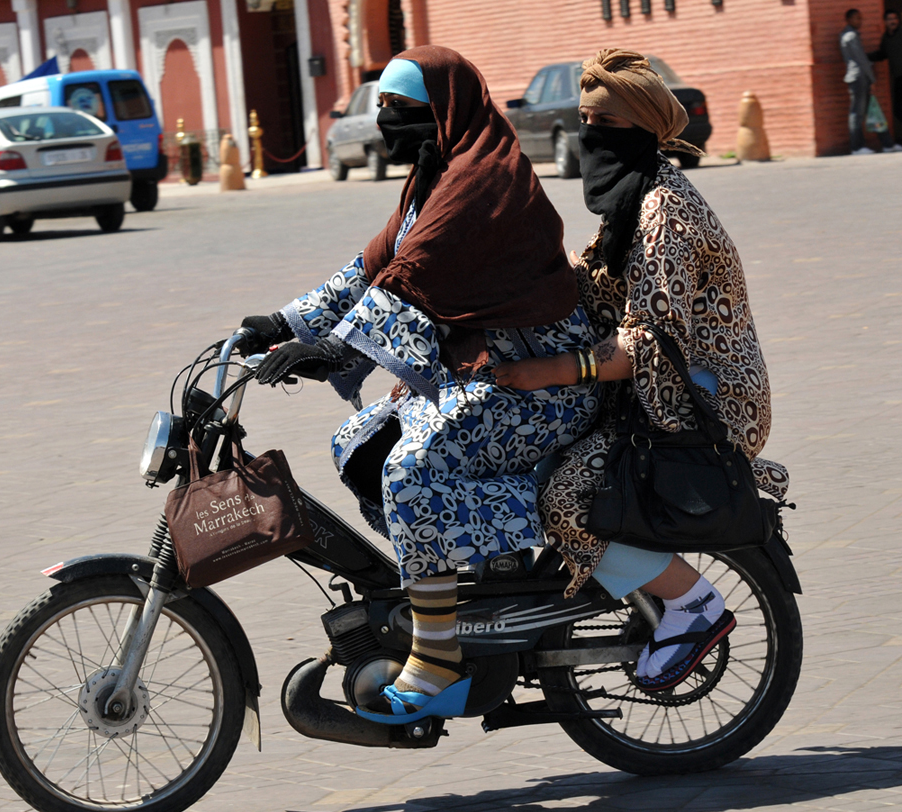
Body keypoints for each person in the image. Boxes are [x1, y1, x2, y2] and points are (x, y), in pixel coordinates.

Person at [239, 46, 602, 721]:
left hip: (541, 385)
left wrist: (326, 350)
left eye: (402, 112)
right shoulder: (432, 177)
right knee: (362, 439)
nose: (387, 126)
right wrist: (282, 321)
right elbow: (372, 267)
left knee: (411, 471)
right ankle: (462, 578)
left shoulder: (481, 178)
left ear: (444, 111)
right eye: (381, 111)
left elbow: (412, 281)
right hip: (490, 373)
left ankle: (436, 657)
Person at [493, 48, 791, 692]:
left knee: (566, 501)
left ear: (635, 130)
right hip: (651, 398)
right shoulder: (631, 205)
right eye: (582, 119)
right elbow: (584, 284)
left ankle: (692, 606)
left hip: (705, 407)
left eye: (602, 122)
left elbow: (643, 346)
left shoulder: (665, 216)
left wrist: (544, 371)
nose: (588, 135)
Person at [842, 8, 901, 154]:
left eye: (894, 19)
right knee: (859, 113)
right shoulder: (852, 36)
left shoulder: (849, 35)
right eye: (857, 18)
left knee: (872, 112)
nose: (860, 21)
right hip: (864, 77)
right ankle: (861, 146)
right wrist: (870, 73)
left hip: (861, 77)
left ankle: (887, 144)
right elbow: (870, 57)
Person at [868, 10, 902, 135]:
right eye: (889, 19)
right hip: (898, 77)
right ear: (885, 22)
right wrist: (864, 57)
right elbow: (882, 54)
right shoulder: (886, 38)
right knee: (898, 110)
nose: (893, 21)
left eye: (895, 18)